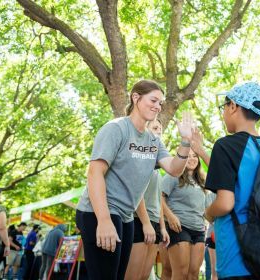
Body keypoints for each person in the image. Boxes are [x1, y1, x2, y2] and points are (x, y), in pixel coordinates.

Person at [75, 79, 195, 279]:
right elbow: (94, 173)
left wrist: (185, 141)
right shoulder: (116, 129)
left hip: (126, 216)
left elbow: (174, 169)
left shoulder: (153, 140)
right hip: (98, 212)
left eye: (160, 103)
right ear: (136, 97)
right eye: (153, 100)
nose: (157, 107)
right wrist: (103, 221)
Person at [204, 81, 260, 279]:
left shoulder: (225, 145)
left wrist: (208, 213)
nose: (223, 113)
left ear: (233, 106)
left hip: (234, 255)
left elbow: (225, 203)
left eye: (223, 107)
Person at [124, 119, 170, 280]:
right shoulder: (139, 158)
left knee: (144, 276)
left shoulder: (157, 166)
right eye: (155, 127)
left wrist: (162, 228)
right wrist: (146, 223)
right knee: (133, 276)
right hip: (139, 221)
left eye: (161, 128)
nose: (159, 130)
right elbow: (137, 194)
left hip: (154, 223)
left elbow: (158, 199)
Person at [161, 148, 213, 280]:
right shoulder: (173, 175)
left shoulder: (203, 181)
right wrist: (170, 216)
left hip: (199, 230)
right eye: (188, 156)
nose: (192, 158)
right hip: (179, 227)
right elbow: (159, 197)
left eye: (195, 156)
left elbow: (206, 210)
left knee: (193, 275)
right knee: (181, 273)